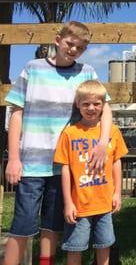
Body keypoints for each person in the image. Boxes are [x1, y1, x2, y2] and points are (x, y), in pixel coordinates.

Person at [3, 21, 113, 265]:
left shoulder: (87, 73)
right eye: (70, 44)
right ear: (57, 40)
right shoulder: (33, 68)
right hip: (31, 164)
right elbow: (16, 113)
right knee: (21, 226)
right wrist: (13, 158)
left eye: (80, 48)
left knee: (51, 225)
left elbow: (106, 108)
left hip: (65, 166)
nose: (73, 50)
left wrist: (102, 143)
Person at [54, 80, 128, 265]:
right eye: (85, 104)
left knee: (104, 245)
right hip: (79, 206)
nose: (91, 108)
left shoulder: (113, 132)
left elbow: (117, 163)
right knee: (75, 247)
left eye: (96, 104)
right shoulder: (69, 133)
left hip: (104, 205)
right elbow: (65, 168)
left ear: (103, 105)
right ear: (77, 105)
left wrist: (117, 193)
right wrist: (68, 203)